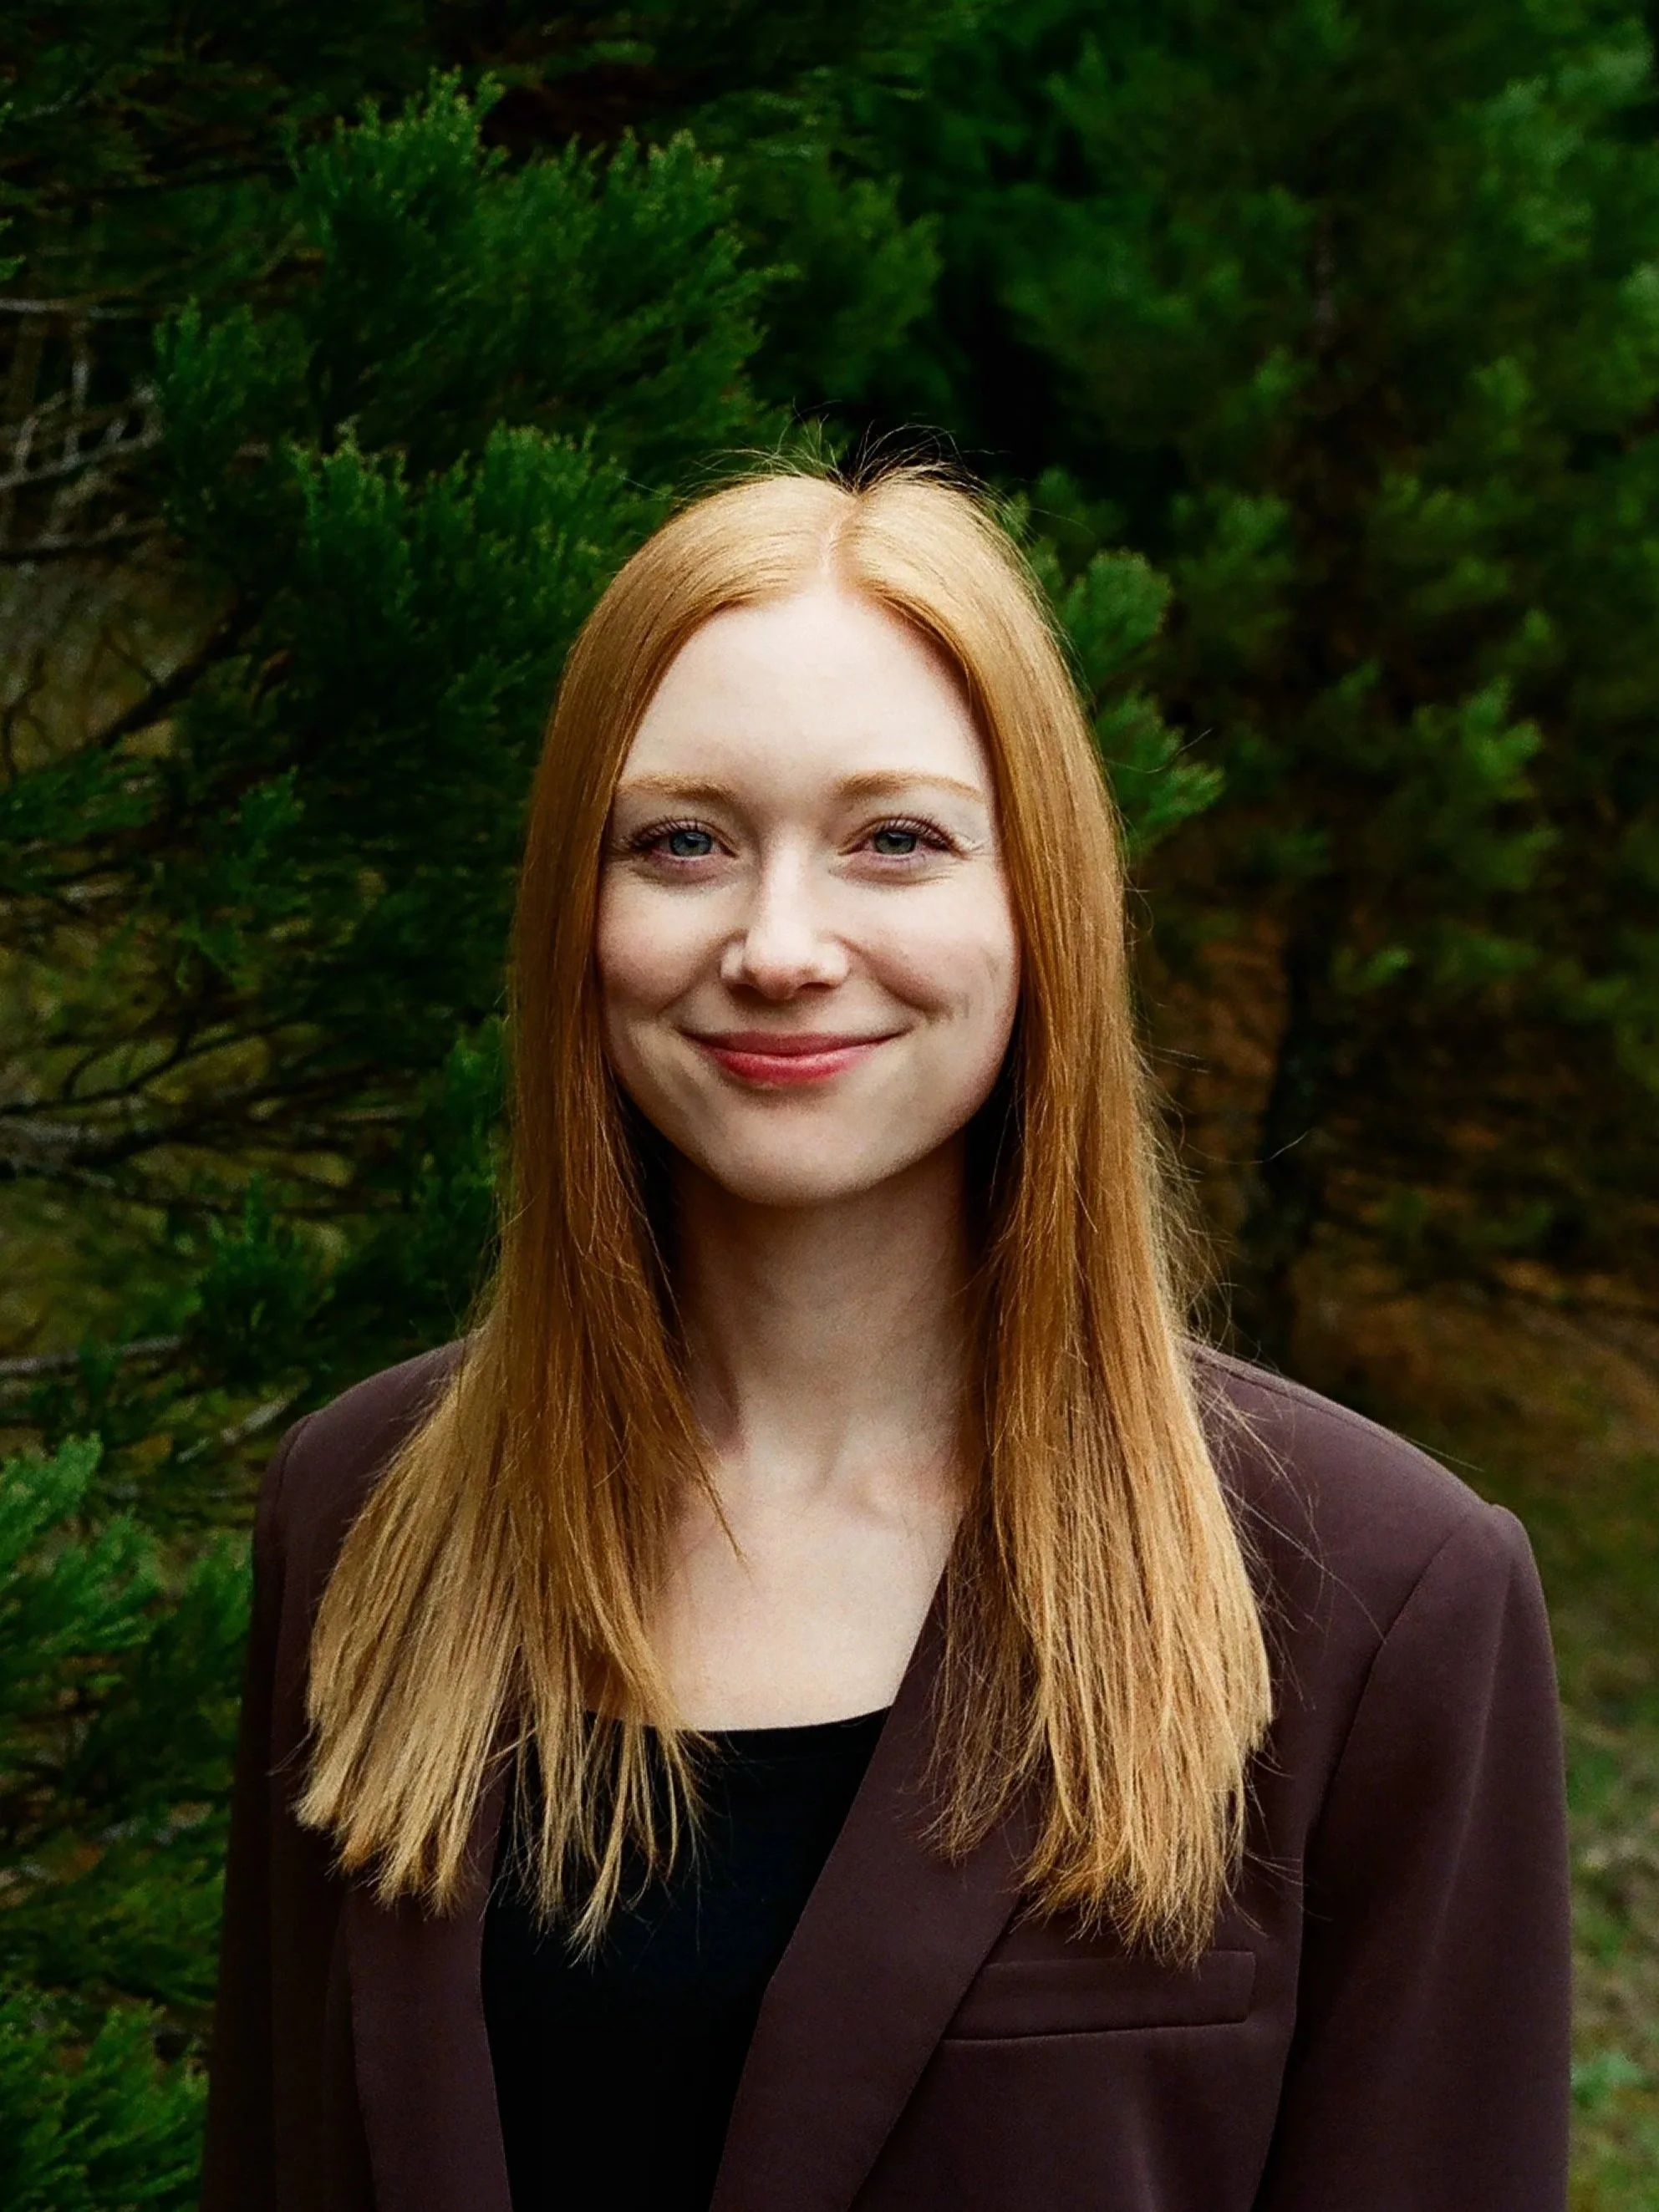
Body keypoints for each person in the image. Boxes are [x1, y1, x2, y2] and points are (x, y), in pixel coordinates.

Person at [199, 465, 1572, 2212]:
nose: (779, 947)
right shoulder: (363, 1513)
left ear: (1039, 908)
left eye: (894, 840)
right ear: (577, 910)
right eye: (681, 840)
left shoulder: (1380, 1597)